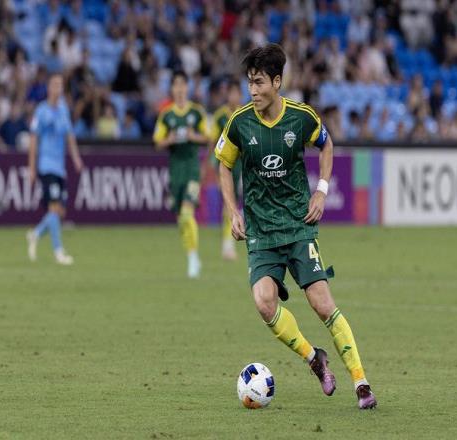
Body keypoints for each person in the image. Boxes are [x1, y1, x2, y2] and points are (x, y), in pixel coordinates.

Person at [215, 43, 377, 409]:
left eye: (259, 82)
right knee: (264, 303)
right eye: (249, 83)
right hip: (261, 232)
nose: (253, 90)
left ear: (277, 82)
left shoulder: (301, 118)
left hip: (297, 226)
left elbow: (327, 145)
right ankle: (313, 358)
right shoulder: (239, 122)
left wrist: (322, 191)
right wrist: (232, 210)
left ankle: (361, 382)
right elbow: (224, 163)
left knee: (322, 305)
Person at [153, 70, 209, 278]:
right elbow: (157, 142)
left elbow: (208, 137)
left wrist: (194, 136)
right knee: (181, 219)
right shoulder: (167, 114)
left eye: (182, 85)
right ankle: (191, 255)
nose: (179, 89)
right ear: (172, 88)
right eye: (175, 85)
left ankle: (193, 259)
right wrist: (169, 139)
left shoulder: (197, 112)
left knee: (187, 213)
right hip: (175, 172)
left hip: (192, 169)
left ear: (187, 88)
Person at [27, 74, 83, 265]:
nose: (58, 88)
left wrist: (76, 158)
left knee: (59, 212)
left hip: (60, 167)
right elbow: (33, 139)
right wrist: (31, 168)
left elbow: (69, 135)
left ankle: (35, 234)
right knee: (53, 207)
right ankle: (58, 251)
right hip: (46, 165)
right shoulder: (41, 111)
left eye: (61, 85)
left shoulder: (64, 110)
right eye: (55, 85)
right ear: (49, 88)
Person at [210, 79, 243, 260]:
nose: (234, 96)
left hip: (243, 165)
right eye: (231, 93)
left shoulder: (245, 114)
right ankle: (228, 244)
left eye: (237, 93)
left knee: (240, 203)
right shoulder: (220, 116)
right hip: (226, 165)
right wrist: (210, 165)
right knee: (228, 203)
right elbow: (212, 142)